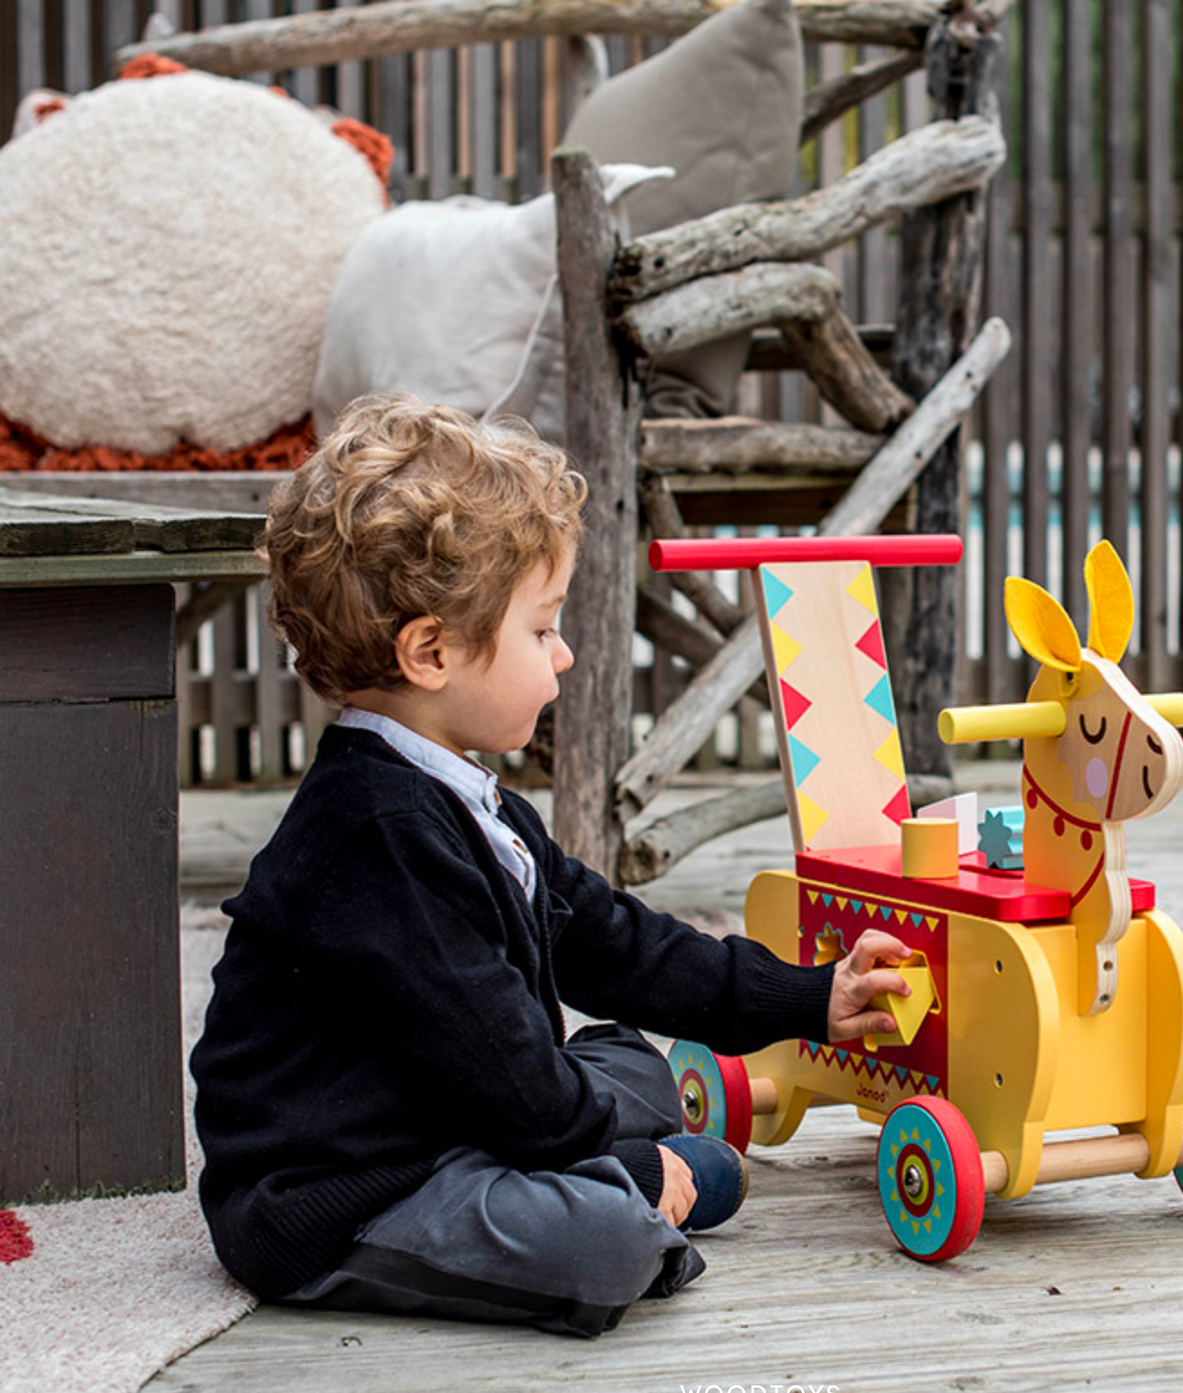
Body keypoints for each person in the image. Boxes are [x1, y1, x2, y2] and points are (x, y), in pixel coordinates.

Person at [190, 395, 913, 1338]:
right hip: (341, 1185)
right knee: (607, 1242)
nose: (564, 655)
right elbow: (498, 1060)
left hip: (449, 1108)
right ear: (431, 651)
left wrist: (808, 999)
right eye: (541, 630)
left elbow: (614, 943)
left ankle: (623, 1173)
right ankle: (631, 1198)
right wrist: (630, 1166)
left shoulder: (462, 797)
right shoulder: (375, 836)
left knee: (628, 1055)